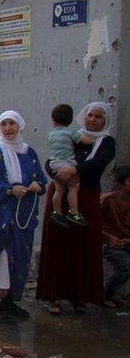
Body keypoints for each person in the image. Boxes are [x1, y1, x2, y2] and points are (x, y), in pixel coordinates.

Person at [37, 102, 117, 314]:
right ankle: (53, 295)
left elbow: (98, 163)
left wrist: (72, 170)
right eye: (90, 114)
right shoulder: (70, 134)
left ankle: (79, 297)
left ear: (105, 120)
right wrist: (56, 174)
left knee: (83, 245)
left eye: (99, 117)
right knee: (58, 244)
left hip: (87, 197)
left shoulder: (106, 142)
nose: (93, 119)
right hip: (61, 195)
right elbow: (51, 158)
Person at [0, 111, 47, 323]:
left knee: (19, 256)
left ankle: (9, 303)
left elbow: (42, 180)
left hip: (23, 216)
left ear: (20, 126)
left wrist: (37, 185)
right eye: (4, 124)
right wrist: (9, 190)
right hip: (1, 215)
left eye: (12, 124)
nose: (8, 128)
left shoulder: (29, 153)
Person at [46, 104, 93, 228]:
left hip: (54, 164)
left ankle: (57, 212)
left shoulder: (50, 134)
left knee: (59, 190)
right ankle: (73, 212)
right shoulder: (71, 132)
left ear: (53, 120)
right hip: (67, 164)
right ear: (70, 120)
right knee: (73, 187)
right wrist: (92, 138)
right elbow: (87, 141)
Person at [103, 166, 130, 307]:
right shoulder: (110, 201)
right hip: (113, 245)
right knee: (126, 266)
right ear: (121, 183)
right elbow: (95, 226)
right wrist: (109, 238)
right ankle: (106, 294)